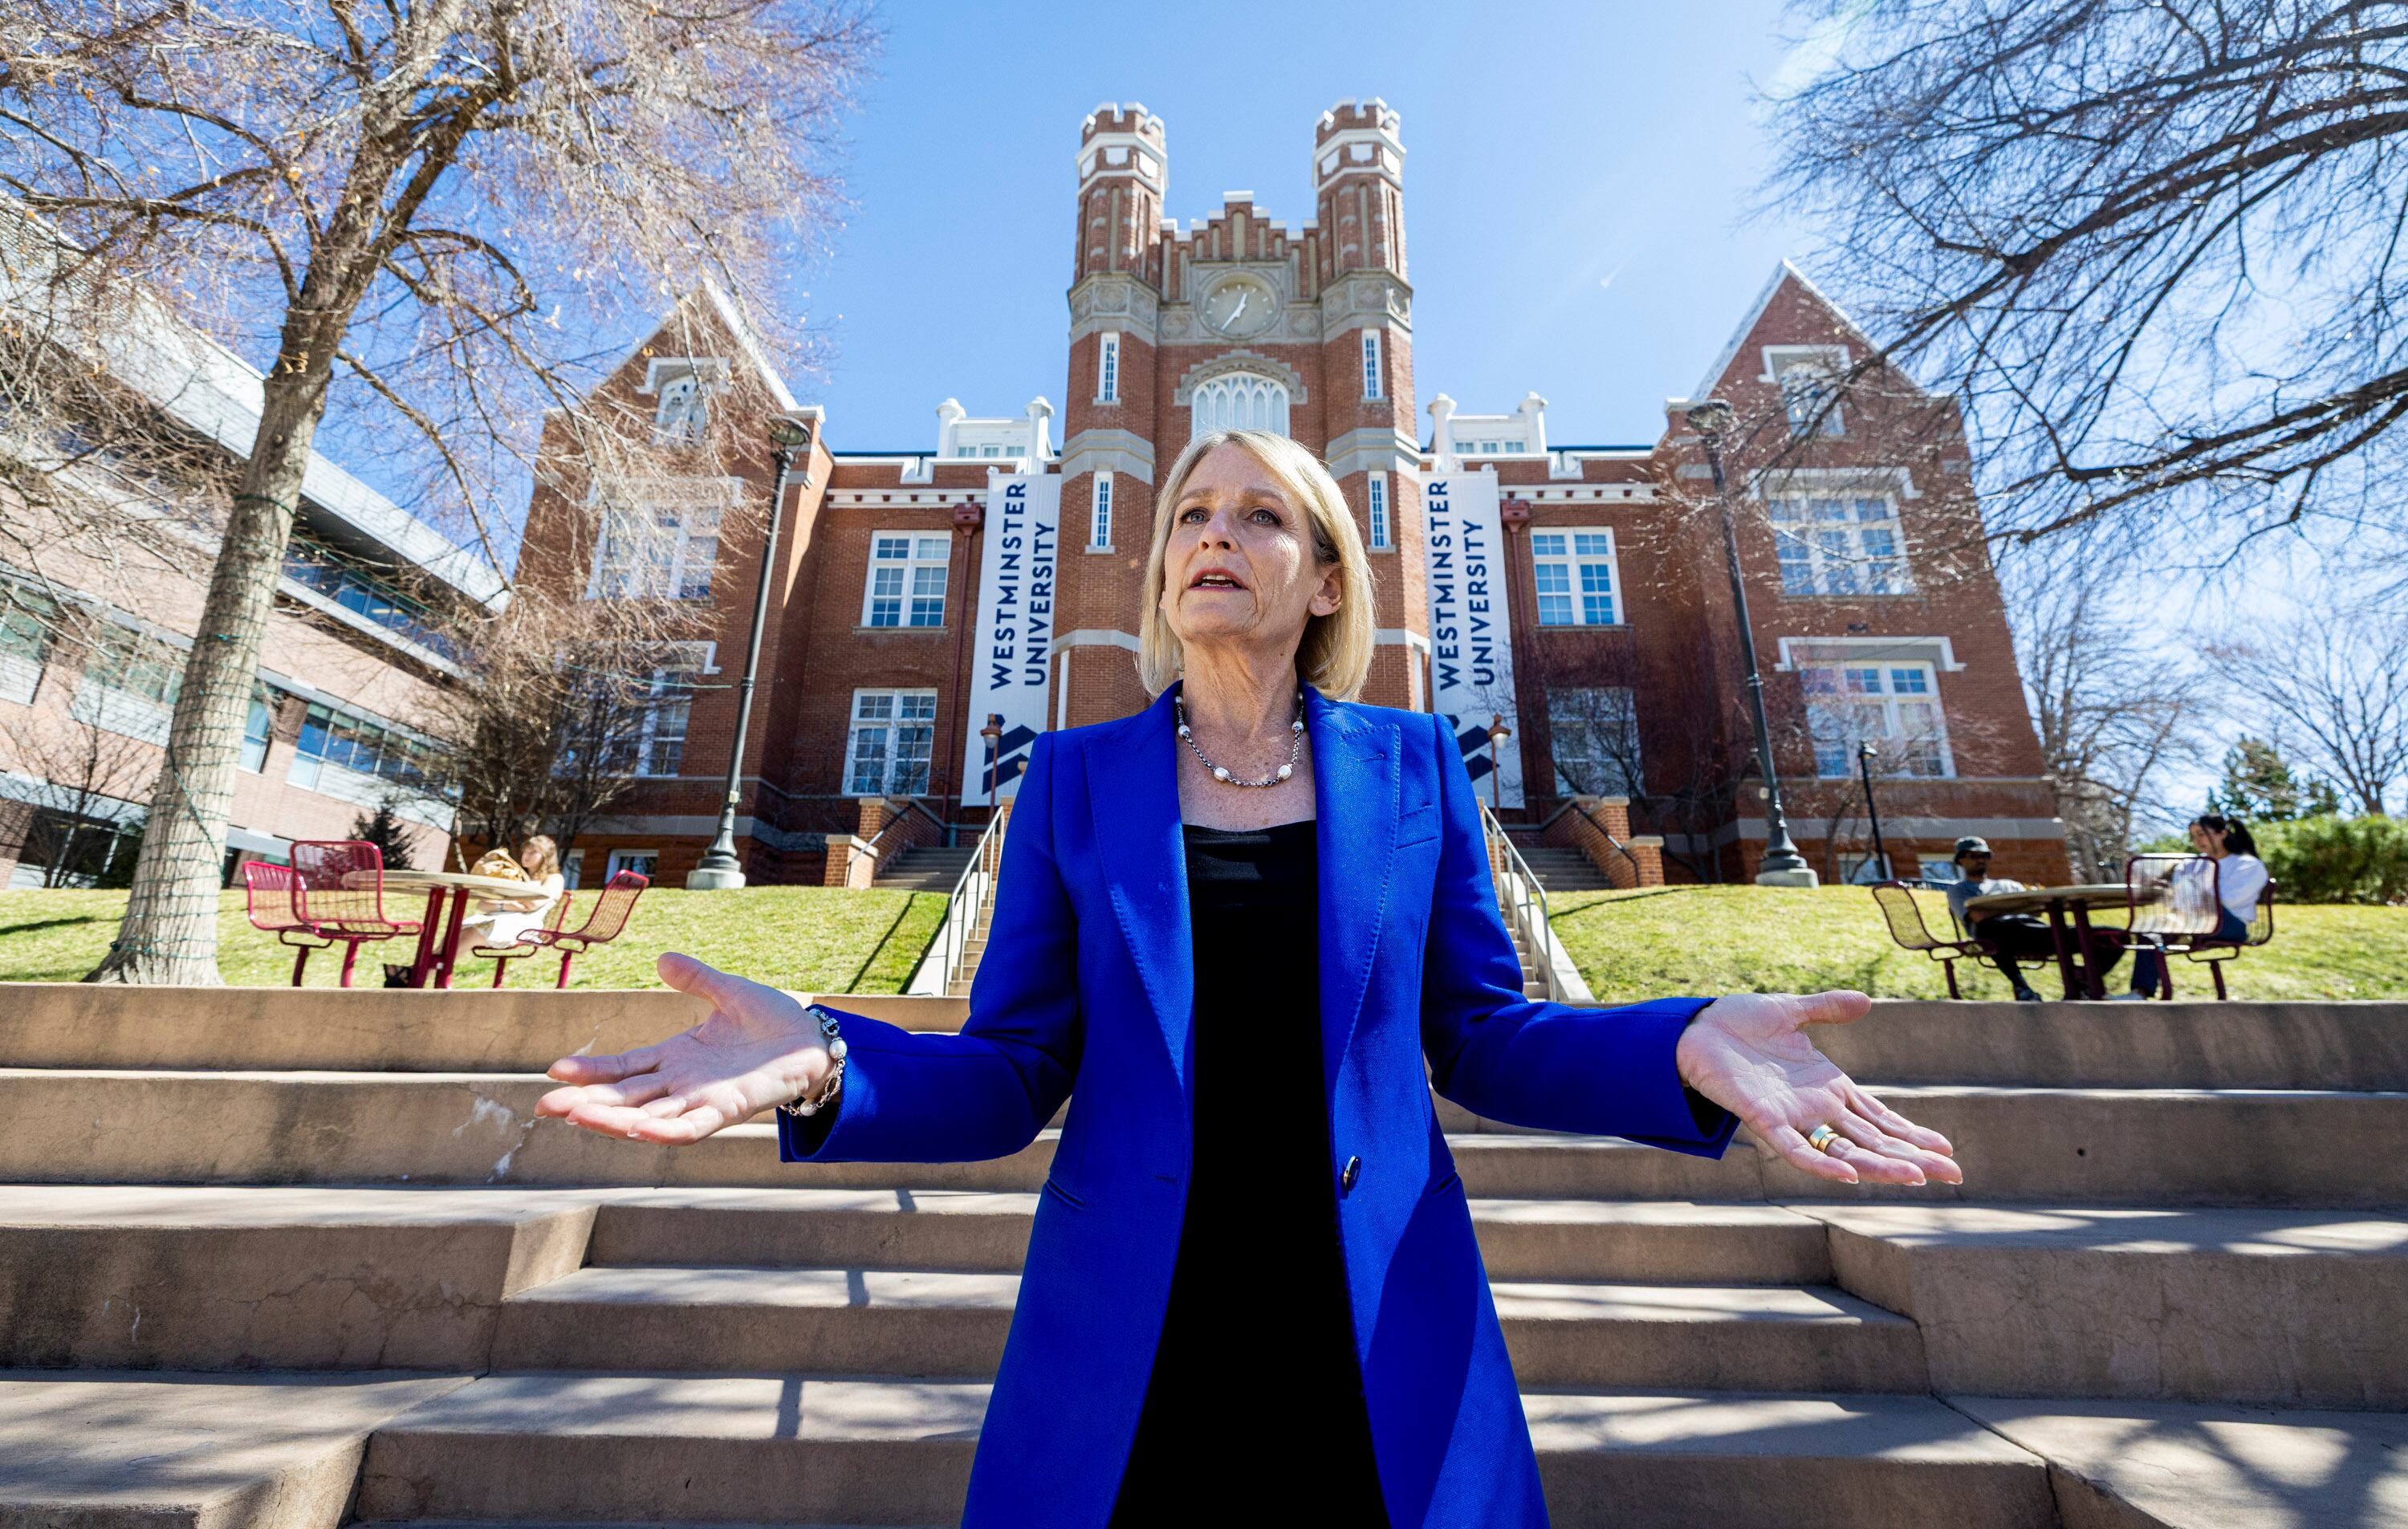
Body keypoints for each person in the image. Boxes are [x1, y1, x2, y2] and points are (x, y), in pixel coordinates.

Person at [535, 429, 1965, 1529]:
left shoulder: (1411, 771)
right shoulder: (1076, 784)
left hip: (1374, 1321)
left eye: (1261, 515)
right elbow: (1016, 1067)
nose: (1216, 537)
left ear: (1328, 576)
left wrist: (1678, 1047)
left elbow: (1479, 1036)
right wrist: (833, 1059)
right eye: (1191, 518)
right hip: (1136, 1328)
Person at [1938, 836, 2124, 1000]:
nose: (1980, 860)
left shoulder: (2009, 885)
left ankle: (2084, 984)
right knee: (1990, 929)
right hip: (1999, 940)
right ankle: (2024, 989)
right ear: (1961, 860)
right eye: (1974, 856)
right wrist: (2015, 907)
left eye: (1984, 856)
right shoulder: (1958, 890)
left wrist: (2004, 907)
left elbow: (2036, 911)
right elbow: (1977, 917)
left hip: (2035, 933)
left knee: (2115, 936)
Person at [2129, 812, 2267, 996]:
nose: (2197, 840)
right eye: (2193, 836)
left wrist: (2183, 892)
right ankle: (2140, 993)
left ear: (2222, 833)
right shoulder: (2190, 865)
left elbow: (2227, 900)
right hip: (2190, 921)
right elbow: (2178, 901)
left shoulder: (2248, 865)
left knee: (2183, 895)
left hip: (2228, 924)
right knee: (2149, 931)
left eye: (2201, 833)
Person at [457, 834, 566, 954]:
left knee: (470, 934)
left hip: (523, 925)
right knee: (453, 934)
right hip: (498, 918)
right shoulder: (518, 877)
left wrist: (505, 900)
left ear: (546, 856)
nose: (526, 856)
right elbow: (482, 905)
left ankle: (438, 969)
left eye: (532, 852)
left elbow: (534, 903)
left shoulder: (554, 878)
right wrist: (507, 905)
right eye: (525, 851)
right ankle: (436, 967)